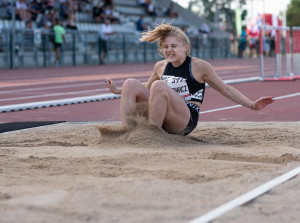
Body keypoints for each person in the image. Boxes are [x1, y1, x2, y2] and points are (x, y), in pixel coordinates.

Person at [105, 23, 274, 136]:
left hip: (184, 120)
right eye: (165, 47)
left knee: (158, 86)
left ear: (185, 47)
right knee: (130, 83)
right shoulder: (160, 66)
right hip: (161, 115)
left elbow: (225, 88)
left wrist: (252, 105)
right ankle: (127, 133)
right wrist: (118, 90)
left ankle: (152, 137)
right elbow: (145, 88)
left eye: (173, 46)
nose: (169, 50)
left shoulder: (200, 67)